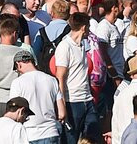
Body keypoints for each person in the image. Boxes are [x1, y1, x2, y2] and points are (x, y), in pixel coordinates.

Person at [55, 12, 94, 144]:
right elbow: (60, 76)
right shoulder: (65, 46)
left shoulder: (82, 46)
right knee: (71, 139)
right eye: (88, 26)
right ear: (83, 27)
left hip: (87, 98)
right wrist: (62, 104)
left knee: (92, 137)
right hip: (73, 101)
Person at [9, 51, 64, 144]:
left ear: (18, 64)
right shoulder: (52, 80)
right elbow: (62, 113)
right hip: (51, 132)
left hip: (29, 134)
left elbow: (14, 113)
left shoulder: (17, 83)